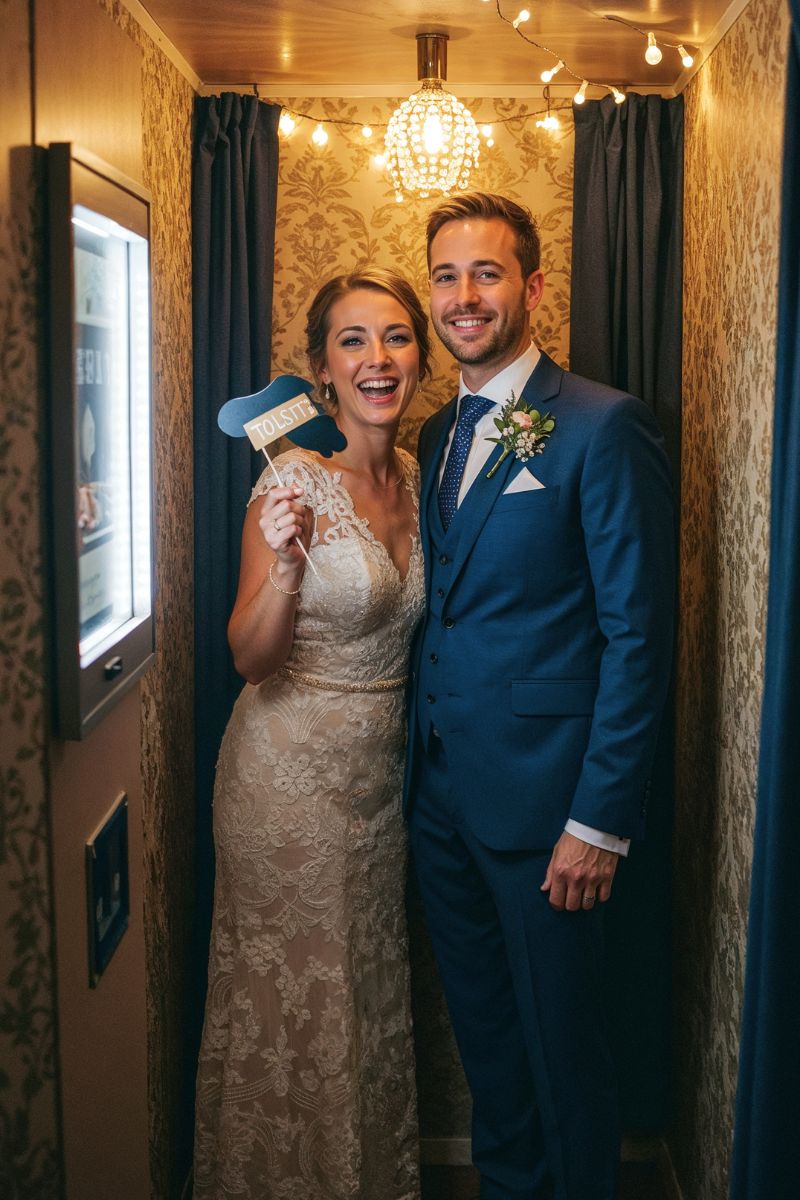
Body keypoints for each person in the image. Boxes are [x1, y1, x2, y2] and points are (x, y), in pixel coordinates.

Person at [405, 193, 675, 1200]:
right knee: (488, 1047)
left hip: (548, 809)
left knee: (564, 1053)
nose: (462, 296)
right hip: (438, 799)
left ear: (531, 285)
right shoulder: (437, 432)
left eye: (484, 273)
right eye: (445, 275)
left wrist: (597, 823)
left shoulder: (601, 425)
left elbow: (635, 634)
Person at [194, 267, 431, 1200]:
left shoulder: (419, 476)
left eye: (396, 337)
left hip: (380, 789)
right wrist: (288, 570)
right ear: (321, 371)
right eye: (353, 341)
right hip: (283, 783)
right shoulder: (291, 478)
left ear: (419, 356)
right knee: (292, 1007)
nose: (378, 359)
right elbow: (248, 658)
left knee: (361, 998)